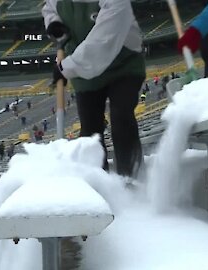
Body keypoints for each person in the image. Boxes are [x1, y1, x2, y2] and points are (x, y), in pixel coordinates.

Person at [43, 0, 146, 177]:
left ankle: (132, 178)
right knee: (90, 131)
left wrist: (65, 68)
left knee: (122, 117)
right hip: (82, 68)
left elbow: (103, 42)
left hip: (123, 63)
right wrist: (54, 23)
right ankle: (97, 182)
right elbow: (50, 8)